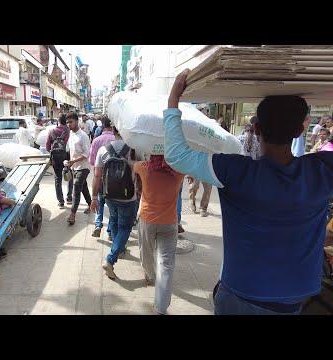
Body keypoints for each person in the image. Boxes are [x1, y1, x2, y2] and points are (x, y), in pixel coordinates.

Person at [163, 68, 333, 315]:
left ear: (257, 130)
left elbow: (177, 156)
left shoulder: (236, 171)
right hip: (293, 301)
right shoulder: (321, 170)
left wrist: (173, 102)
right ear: (300, 132)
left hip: (240, 296)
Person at [133, 154, 184, 315]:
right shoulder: (179, 172)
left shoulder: (145, 168)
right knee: (166, 265)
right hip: (169, 223)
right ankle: (161, 308)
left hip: (147, 221)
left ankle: (149, 275)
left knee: (146, 253)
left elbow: (133, 165)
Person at [90, 126, 137, 280]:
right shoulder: (134, 150)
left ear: (114, 132)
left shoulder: (103, 150)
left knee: (115, 222)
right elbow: (142, 175)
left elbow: (97, 176)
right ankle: (111, 258)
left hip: (109, 195)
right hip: (129, 197)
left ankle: (119, 249)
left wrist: (94, 197)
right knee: (125, 227)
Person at [89, 117, 115, 239]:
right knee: (112, 207)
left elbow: (92, 161)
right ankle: (110, 231)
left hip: (99, 177)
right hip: (115, 179)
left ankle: (98, 225)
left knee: (99, 201)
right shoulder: (118, 140)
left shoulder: (96, 141)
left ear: (102, 126)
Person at [65, 113, 92, 225]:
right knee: (83, 187)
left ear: (77, 121)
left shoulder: (83, 136)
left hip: (84, 167)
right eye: (67, 122)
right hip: (74, 167)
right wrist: (69, 162)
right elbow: (71, 152)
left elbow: (86, 154)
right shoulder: (70, 134)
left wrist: (73, 161)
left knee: (76, 189)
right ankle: (91, 205)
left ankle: (73, 214)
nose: (68, 124)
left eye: (70, 122)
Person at [46, 114, 73, 208]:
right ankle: (69, 197)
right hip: (67, 156)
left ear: (58, 120)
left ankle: (61, 201)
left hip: (56, 158)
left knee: (58, 179)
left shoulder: (51, 131)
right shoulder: (69, 131)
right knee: (69, 176)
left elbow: (47, 147)